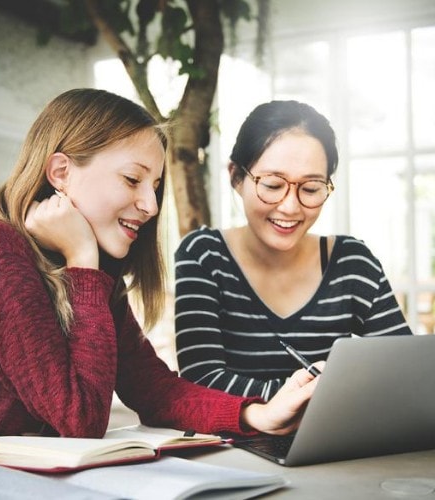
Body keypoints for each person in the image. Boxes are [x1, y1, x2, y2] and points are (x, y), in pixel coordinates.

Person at [0, 89, 319, 499]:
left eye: (154, 186)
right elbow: (79, 419)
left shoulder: (90, 280)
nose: (150, 205)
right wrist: (83, 261)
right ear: (60, 172)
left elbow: (154, 389)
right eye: (132, 180)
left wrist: (260, 412)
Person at [175, 100, 411, 401]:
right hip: (235, 445)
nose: (290, 207)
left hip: (335, 441)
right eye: (273, 185)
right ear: (236, 176)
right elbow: (201, 381)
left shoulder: (351, 263)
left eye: (311, 189)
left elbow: (404, 371)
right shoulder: (206, 255)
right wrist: (321, 396)